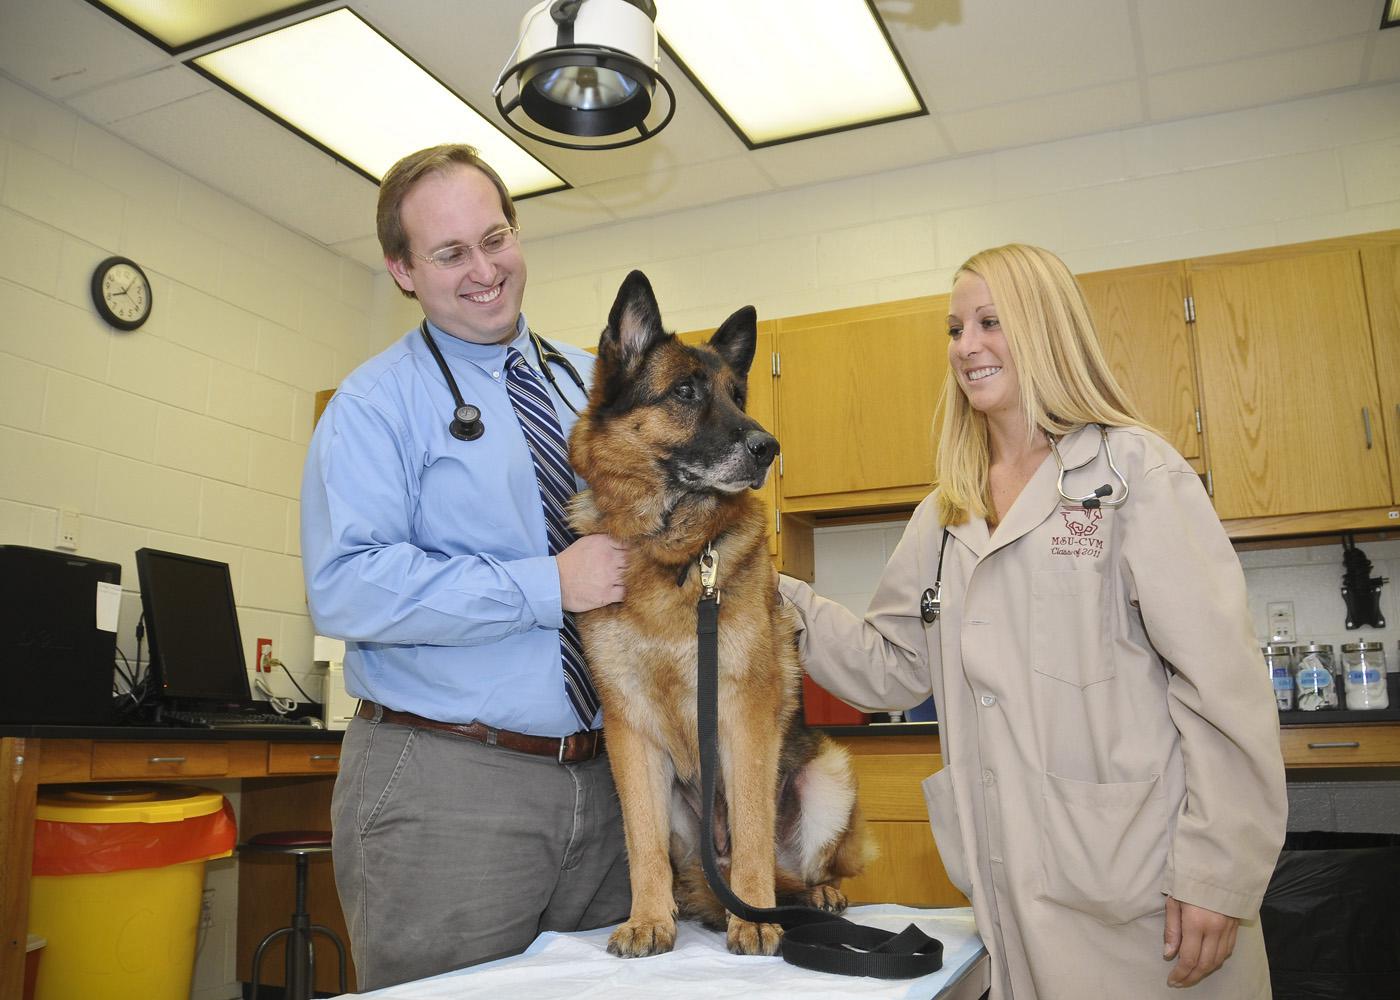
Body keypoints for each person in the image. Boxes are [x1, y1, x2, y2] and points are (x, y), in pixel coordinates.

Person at [779, 243, 1286, 999]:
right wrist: (776, 597)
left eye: (990, 322)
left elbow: (1224, 687)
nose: (967, 346)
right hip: (1007, 879)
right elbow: (892, 664)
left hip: (1143, 887)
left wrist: (1218, 870)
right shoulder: (944, 511)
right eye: (955, 329)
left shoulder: (1132, 475)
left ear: (1047, 330)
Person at [300, 144, 630, 990]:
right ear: (403, 271)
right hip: (448, 787)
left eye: (496, 238)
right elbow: (348, 584)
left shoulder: (591, 385)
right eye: (450, 254)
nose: (485, 270)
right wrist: (546, 585)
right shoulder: (373, 406)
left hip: (611, 780)